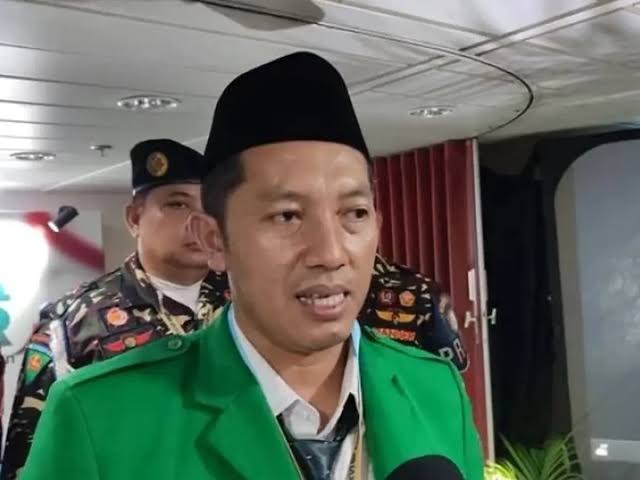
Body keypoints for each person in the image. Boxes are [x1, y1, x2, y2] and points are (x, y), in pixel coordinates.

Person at [21, 53, 483, 480]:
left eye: (355, 213)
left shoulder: (432, 386)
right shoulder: (100, 416)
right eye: (287, 216)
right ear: (214, 240)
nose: (330, 252)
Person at [1, 139, 229, 480]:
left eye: (209, 207)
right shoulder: (72, 322)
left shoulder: (245, 304)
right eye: (178, 204)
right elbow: (30, 449)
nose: (197, 221)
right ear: (135, 218)